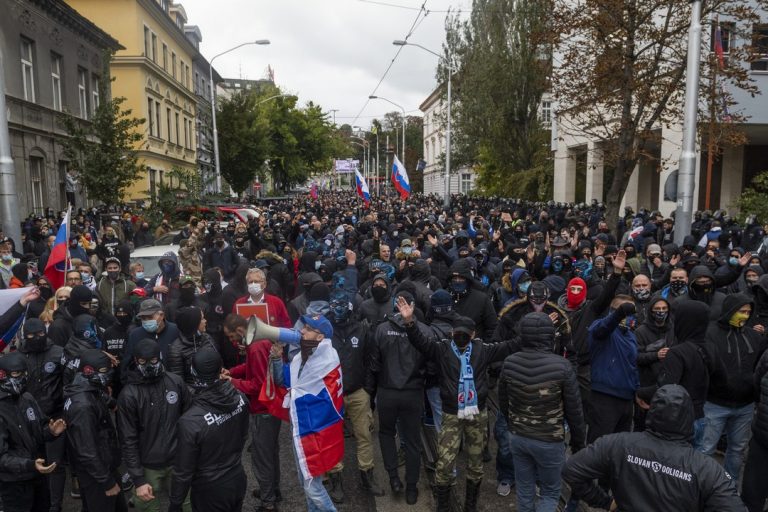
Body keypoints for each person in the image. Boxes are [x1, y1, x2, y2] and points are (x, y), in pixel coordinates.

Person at [398, 297, 518, 511]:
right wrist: (409, 322)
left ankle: (470, 505)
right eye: (457, 332)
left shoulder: (483, 349)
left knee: (476, 464)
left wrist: (532, 326)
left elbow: (510, 345)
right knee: (444, 463)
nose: (460, 336)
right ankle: (443, 506)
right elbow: (420, 342)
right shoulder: (442, 349)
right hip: (451, 414)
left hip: (477, 415)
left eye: (465, 333)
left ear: (473, 335)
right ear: (452, 333)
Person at [563, 385, 745, 511]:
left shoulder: (617, 444)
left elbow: (571, 469)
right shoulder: (706, 469)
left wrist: (606, 502)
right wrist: (605, 501)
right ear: (689, 416)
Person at [499, 312, 586, 512]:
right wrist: (578, 442)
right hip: (549, 440)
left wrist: (513, 424)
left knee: (524, 489)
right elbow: (574, 410)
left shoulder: (510, 362)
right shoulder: (562, 366)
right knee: (549, 492)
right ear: (550, 335)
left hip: (518, 437)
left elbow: (504, 401)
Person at [168, 351, 249, 512]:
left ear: (194, 373)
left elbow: (183, 470)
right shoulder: (241, 398)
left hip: (209, 489)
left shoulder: (191, 421)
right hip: (237, 476)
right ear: (221, 370)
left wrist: (176, 503)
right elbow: (243, 435)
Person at [117, 339, 192, 512]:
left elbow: (190, 422)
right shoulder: (129, 395)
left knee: (187, 505)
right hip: (148, 466)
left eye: (153, 360)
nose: (149, 365)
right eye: (143, 362)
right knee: (148, 507)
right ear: (136, 361)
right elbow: (128, 439)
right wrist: (138, 479)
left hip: (178, 461)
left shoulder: (176, 382)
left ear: (160, 357)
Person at [369, 290, 429, 504]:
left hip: (387, 391)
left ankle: (394, 477)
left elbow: (374, 365)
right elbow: (430, 364)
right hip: (413, 393)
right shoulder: (424, 331)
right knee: (413, 441)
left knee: (386, 433)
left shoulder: (382, 330)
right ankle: (411, 486)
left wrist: (372, 394)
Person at [699, 293, 767, 481]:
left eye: (748, 312)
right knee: (706, 450)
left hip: (744, 406)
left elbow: (758, 367)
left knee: (737, 451)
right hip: (714, 403)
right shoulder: (710, 333)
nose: (744, 316)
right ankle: (701, 490)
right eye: (740, 311)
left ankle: (729, 492)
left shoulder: (754, 336)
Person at [326, 289, 384, 502]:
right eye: (334, 305)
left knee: (364, 435)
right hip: (332, 395)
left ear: (350, 307)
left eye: (342, 305)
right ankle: (335, 481)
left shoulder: (362, 329)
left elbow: (371, 359)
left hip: (358, 392)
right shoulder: (324, 330)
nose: (338, 309)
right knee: (332, 438)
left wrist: (368, 388)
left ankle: (367, 476)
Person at [0, 351, 67, 512]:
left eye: (24, 374)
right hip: (14, 484)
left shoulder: (27, 398)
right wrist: (29, 465)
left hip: (38, 477)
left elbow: (38, 432)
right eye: (16, 374)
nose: (21, 378)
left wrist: (51, 432)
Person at [63, 349, 127, 511]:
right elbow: (86, 450)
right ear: (88, 371)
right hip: (97, 474)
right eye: (104, 371)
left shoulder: (85, 386)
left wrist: (111, 402)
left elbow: (97, 394)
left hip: (104, 466)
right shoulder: (83, 407)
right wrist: (107, 482)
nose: (109, 375)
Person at [586, 295, 639, 444]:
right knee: (599, 446)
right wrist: (619, 314)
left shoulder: (630, 335)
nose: (626, 316)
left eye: (629, 312)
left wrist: (637, 390)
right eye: (622, 312)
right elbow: (602, 329)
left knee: (619, 447)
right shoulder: (601, 329)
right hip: (605, 398)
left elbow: (632, 365)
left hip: (626, 400)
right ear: (612, 311)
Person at [166, 306, 218, 385]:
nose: (205, 321)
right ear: (193, 323)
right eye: (202, 319)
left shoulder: (207, 338)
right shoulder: (176, 349)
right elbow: (179, 383)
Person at [123, 299, 180, 371]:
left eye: (150, 317)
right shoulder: (135, 335)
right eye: (143, 318)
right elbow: (126, 364)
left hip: (171, 379)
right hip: (142, 380)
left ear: (162, 315)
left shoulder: (175, 331)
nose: (147, 321)